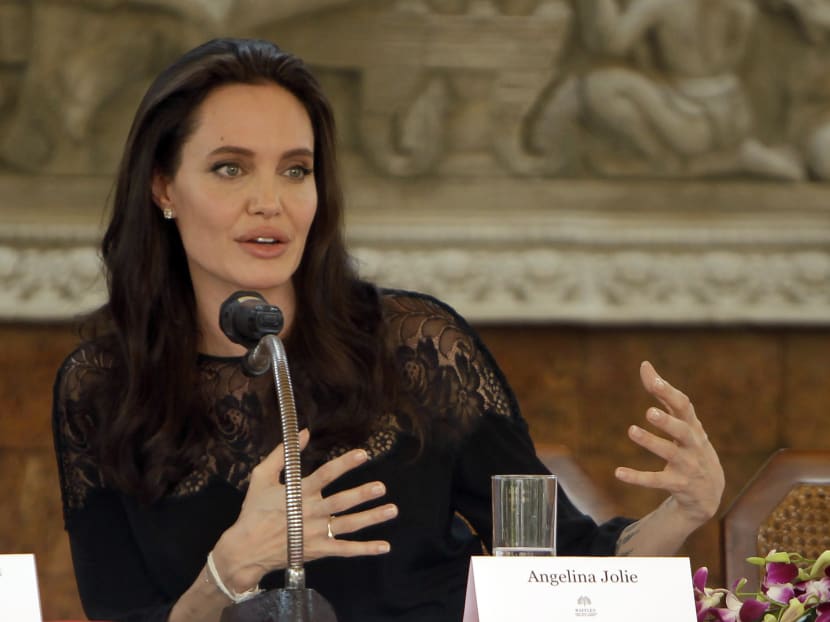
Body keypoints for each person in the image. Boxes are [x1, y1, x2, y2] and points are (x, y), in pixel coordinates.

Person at [51, 37, 725, 622]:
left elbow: (560, 566)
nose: (271, 201)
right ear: (163, 186)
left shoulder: (417, 346)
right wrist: (226, 574)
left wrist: (683, 513)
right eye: (230, 168)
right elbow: (120, 613)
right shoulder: (103, 388)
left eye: (296, 169)